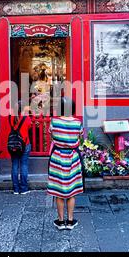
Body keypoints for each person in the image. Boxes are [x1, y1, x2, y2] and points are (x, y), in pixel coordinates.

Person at [47, 97, 84, 230]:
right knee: (71, 191)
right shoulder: (78, 123)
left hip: (57, 157)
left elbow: (51, 136)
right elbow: (80, 137)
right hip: (73, 158)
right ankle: (70, 221)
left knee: (59, 192)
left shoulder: (54, 122)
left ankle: (61, 221)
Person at [9, 100, 32, 195]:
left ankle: (15, 189)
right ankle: (23, 188)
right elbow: (29, 127)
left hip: (13, 144)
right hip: (24, 144)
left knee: (14, 165)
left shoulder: (10, 117)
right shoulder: (26, 118)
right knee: (24, 165)